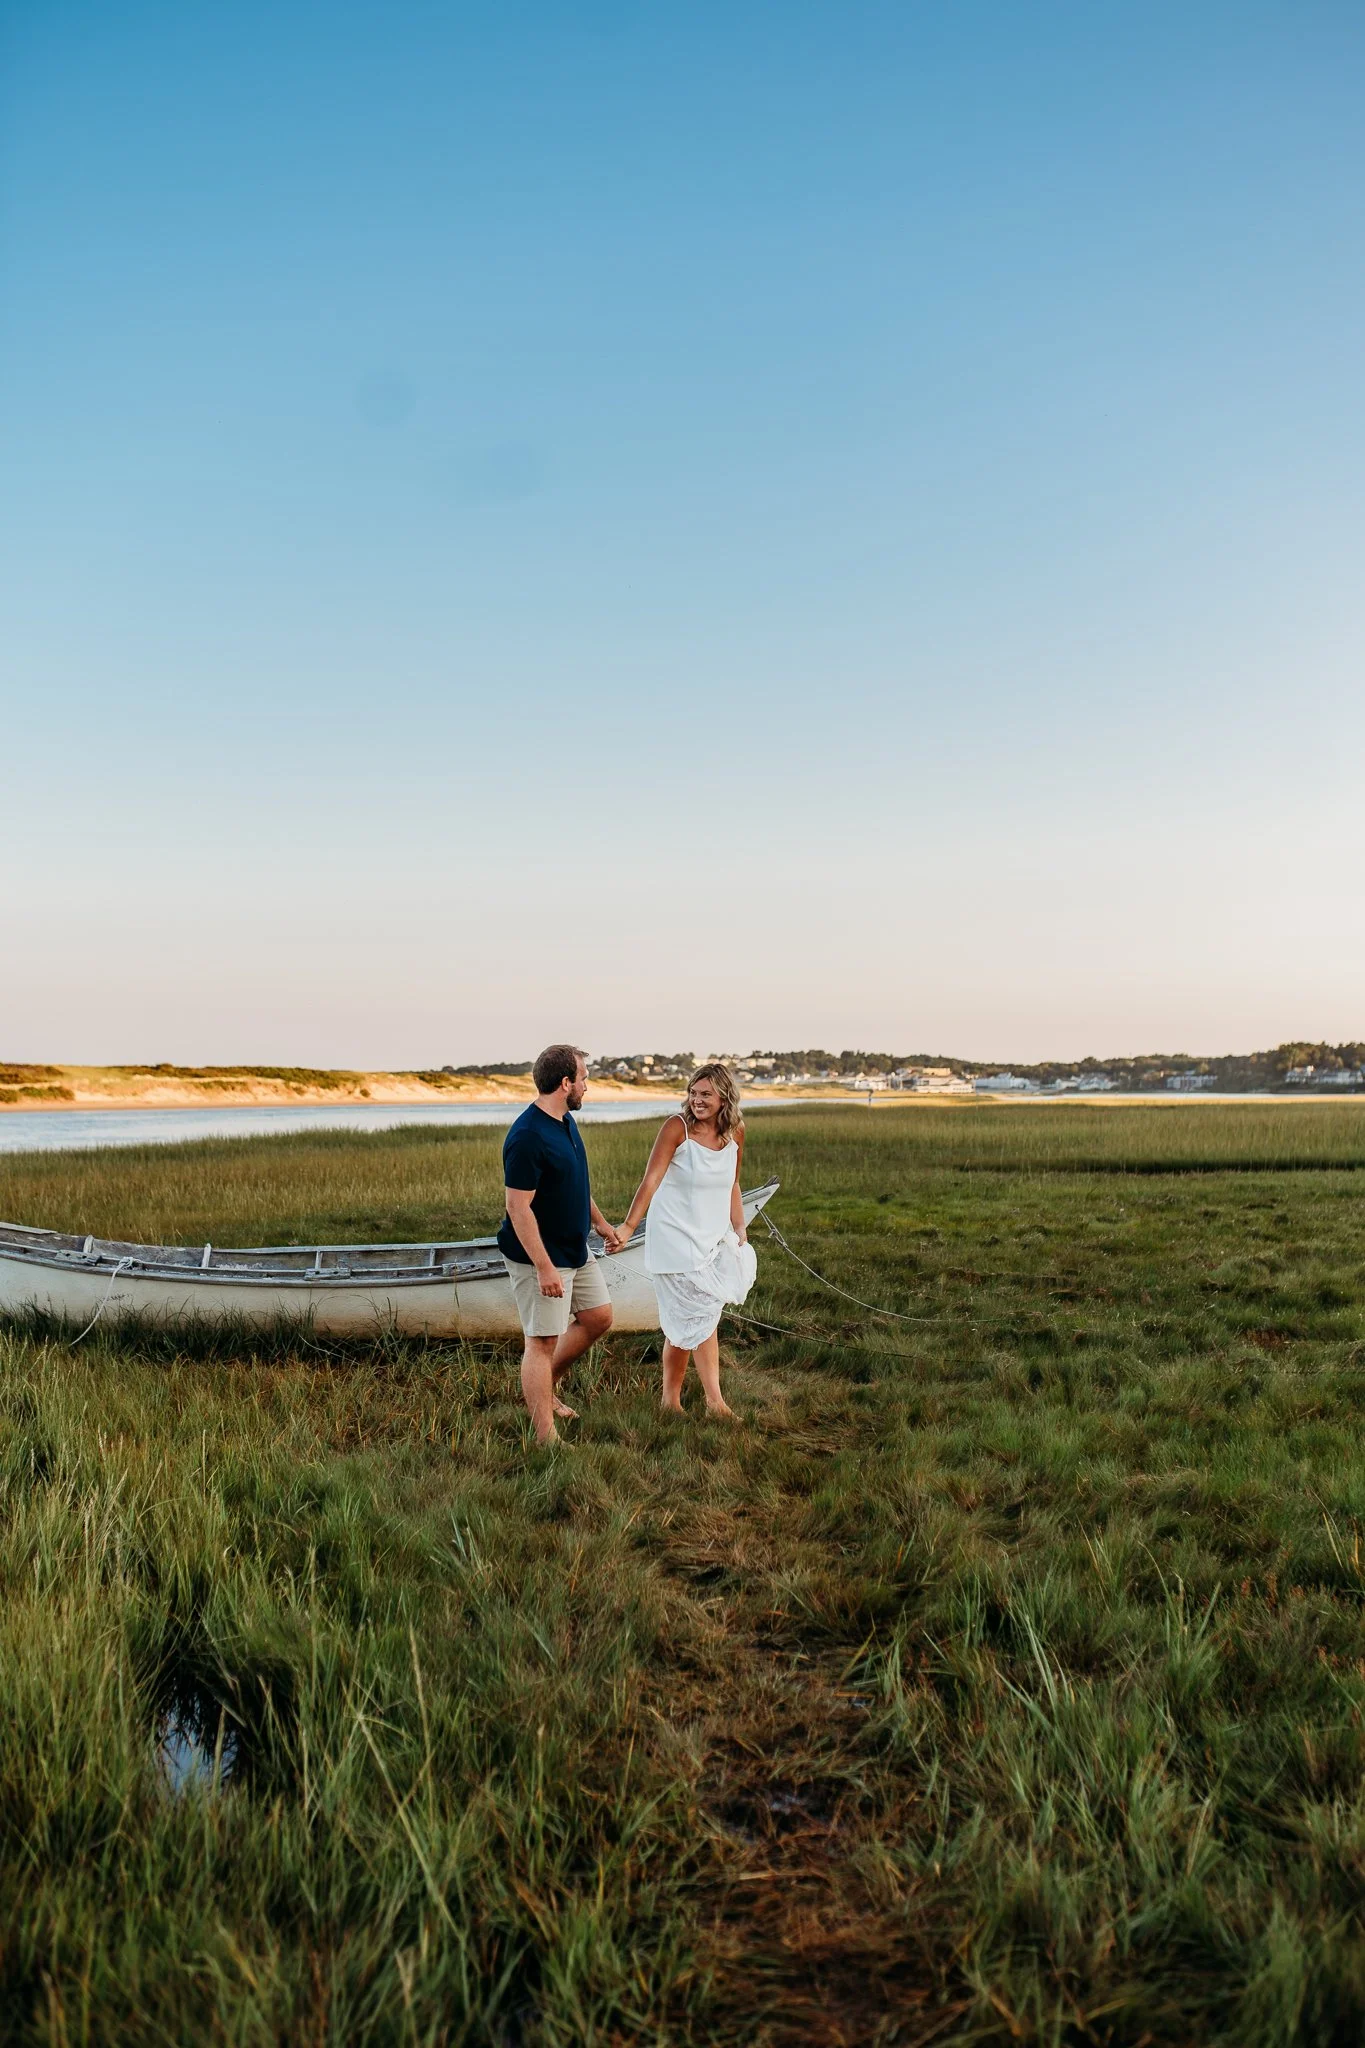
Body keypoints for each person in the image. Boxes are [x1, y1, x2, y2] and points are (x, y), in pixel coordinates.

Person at [612, 1062, 756, 1418]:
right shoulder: (676, 1128)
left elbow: (733, 1183)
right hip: (674, 1239)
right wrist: (628, 1228)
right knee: (693, 1317)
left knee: (698, 1319)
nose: (697, 1100)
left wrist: (739, 1227)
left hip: (711, 1240)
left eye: (706, 1094)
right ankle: (707, 1402)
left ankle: (679, 1402)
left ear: (724, 1097)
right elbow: (650, 1181)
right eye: (693, 1093)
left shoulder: (736, 1132)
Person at [497, 1044, 621, 1446]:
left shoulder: (566, 1121)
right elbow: (517, 1208)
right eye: (583, 1078)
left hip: (574, 1249)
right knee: (541, 1342)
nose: (587, 1086)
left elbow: (574, 1183)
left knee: (598, 1317)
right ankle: (545, 1438)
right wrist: (544, 1267)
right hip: (541, 1255)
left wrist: (600, 1223)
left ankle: (545, 1390)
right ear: (565, 1083)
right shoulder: (528, 1136)